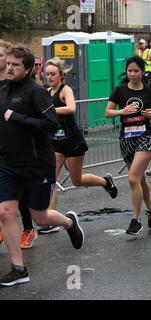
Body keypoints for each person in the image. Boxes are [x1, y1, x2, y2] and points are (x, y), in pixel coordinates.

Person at [0, 46, 84, 287]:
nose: (9, 68)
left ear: (27, 69)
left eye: (15, 65)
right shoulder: (2, 90)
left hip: (37, 164)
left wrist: (17, 117)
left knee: (40, 217)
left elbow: (51, 124)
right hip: (7, 163)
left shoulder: (37, 93)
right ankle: (18, 268)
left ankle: (68, 222)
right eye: (8, 64)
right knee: (5, 212)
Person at [40, 57, 118, 234]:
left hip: (72, 140)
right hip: (55, 141)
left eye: (53, 74)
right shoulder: (46, 91)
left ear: (61, 76)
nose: (50, 77)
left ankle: (106, 182)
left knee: (77, 180)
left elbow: (71, 108)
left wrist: (49, 111)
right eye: (47, 74)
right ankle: (50, 220)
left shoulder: (65, 90)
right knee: (52, 179)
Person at [106, 55, 151, 235]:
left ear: (142, 72)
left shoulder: (149, 91)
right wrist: (122, 111)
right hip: (126, 138)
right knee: (139, 179)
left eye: (136, 71)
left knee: (133, 178)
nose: (132, 74)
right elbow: (108, 112)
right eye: (130, 71)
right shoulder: (120, 90)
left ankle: (136, 219)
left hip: (146, 137)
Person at [0, 39, 38, 250]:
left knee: (20, 196)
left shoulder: (18, 86)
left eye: (1, 55)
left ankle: (28, 228)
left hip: (21, 151)